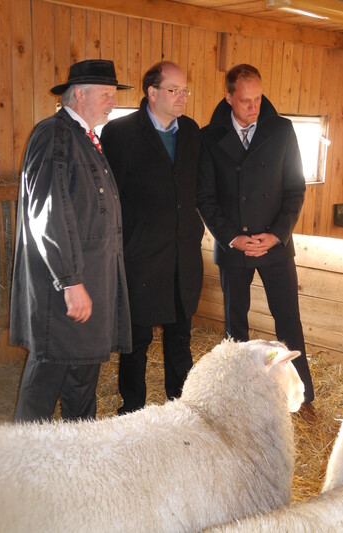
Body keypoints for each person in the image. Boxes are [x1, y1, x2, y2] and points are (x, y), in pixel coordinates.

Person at [10, 59, 133, 423]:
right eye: (107, 95)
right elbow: (49, 211)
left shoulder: (84, 138)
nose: (113, 102)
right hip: (63, 292)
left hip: (87, 289)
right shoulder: (54, 134)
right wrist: (70, 280)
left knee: (81, 386)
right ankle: (22, 470)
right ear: (79, 95)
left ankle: (76, 468)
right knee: (44, 386)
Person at [196, 63, 315, 410]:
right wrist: (232, 238)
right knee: (235, 326)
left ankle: (303, 397)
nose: (254, 107)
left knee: (289, 321)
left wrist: (277, 235)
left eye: (258, 98)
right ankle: (240, 400)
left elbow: (295, 188)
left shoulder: (282, 130)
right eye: (245, 100)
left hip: (275, 245)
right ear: (229, 97)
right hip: (234, 247)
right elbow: (205, 196)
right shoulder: (208, 137)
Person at [100, 61, 204, 414]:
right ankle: (133, 411)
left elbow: (197, 189)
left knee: (180, 338)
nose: (182, 97)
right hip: (140, 258)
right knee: (136, 342)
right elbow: (110, 197)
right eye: (174, 90)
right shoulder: (120, 133)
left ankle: (181, 410)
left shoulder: (191, 132)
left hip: (181, 256)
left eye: (185, 90)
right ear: (152, 92)